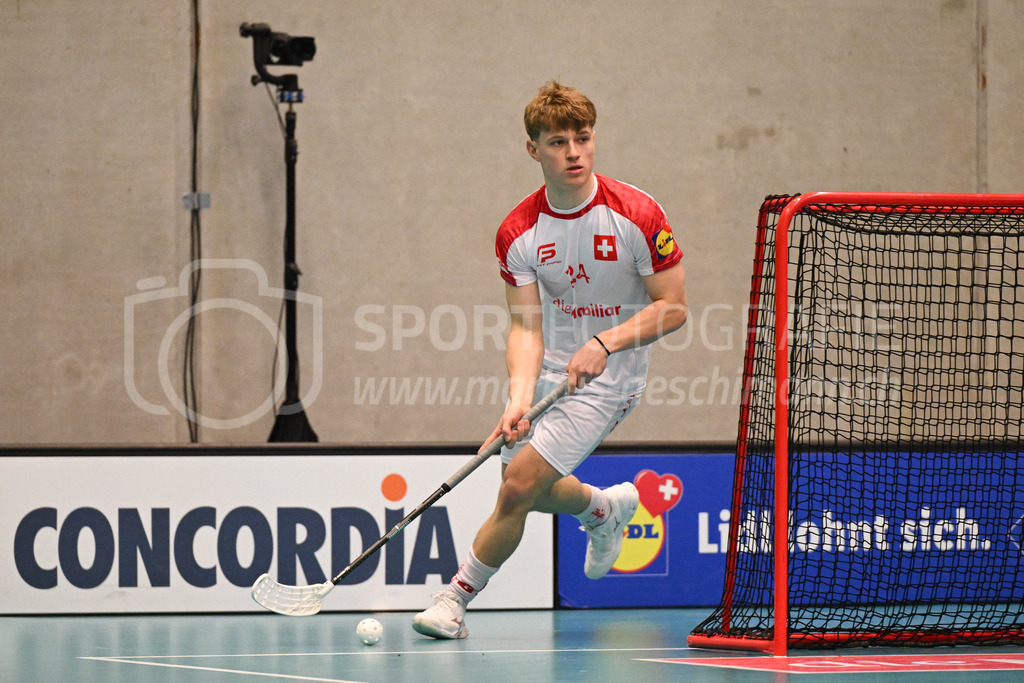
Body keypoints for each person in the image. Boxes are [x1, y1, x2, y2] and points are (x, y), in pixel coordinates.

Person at [412, 81, 688, 639]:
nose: (574, 152)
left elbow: (675, 308)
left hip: (612, 375)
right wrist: (518, 398)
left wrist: (606, 343)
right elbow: (524, 326)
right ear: (533, 148)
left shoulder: (636, 214)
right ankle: (601, 511)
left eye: (583, 138)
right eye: (558, 141)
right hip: (549, 373)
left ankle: (454, 600)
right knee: (525, 481)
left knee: (516, 486)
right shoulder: (519, 233)